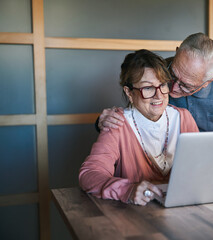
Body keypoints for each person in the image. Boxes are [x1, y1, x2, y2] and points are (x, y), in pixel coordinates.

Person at [95, 33, 213, 185]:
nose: (173, 89)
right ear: (177, 53)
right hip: (175, 170)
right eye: (173, 76)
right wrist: (104, 122)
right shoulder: (161, 71)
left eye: (186, 86)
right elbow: (137, 100)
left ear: (209, 81)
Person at [79, 49, 199, 206]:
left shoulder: (184, 117)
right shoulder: (116, 123)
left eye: (162, 85)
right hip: (135, 215)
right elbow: (89, 174)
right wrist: (127, 190)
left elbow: (200, 169)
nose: (159, 95)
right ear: (129, 92)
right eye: (148, 88)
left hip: (182, 209)